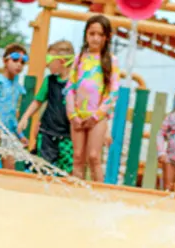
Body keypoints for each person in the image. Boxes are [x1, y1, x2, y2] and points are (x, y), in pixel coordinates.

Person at [65, 14, 120, 183]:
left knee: (94, 156)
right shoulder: (79, 59)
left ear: (107, 37)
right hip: (78, 115)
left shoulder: (111, 61)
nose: (95, 38)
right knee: (77, 156)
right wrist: (72, 115)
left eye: (100, 35)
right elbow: (70, 88)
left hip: (97, 117)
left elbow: (113, 92)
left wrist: (96, 116)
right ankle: (77, 192)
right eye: (92, 34)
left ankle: (99, 193)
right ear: (86, 35)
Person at [17, 40, 74, 173]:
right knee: (41, 168)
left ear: (61, 61)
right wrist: (25, 117)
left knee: (65, 172)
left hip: (67, 136)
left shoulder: (75, 84)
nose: (47, 64)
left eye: (49, 59)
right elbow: (37, 101)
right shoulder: (49, 81)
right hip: (47, 132)